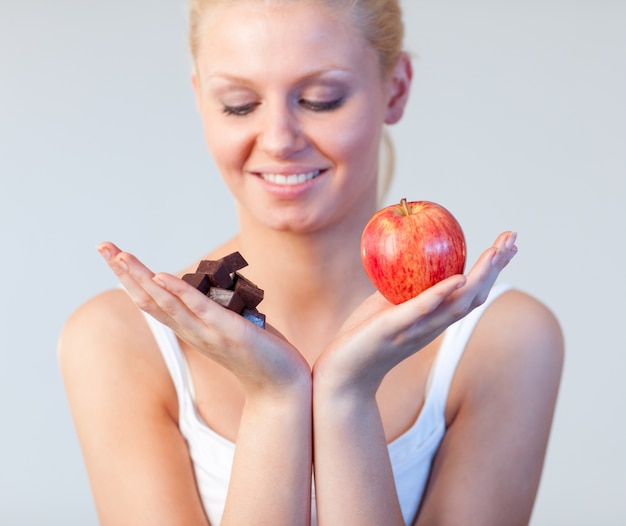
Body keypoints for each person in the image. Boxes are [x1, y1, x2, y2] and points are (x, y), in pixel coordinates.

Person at [58, 1, 564, 524]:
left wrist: (347, 397)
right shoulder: (117, 340)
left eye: (321, 100)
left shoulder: (506, 340)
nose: (279, 139)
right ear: (200, 99)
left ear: (396, 88)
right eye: (238, 104)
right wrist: (275, 401)